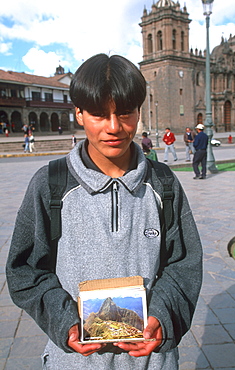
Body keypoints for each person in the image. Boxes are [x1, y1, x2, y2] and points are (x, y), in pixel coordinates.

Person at [6, 54, 202, 370]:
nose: (114, 127)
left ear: (139, 112)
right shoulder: (50, 184)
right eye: (99, 114)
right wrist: (64, 322)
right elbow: (24, 269)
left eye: (125, 113)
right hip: (72, 363)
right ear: (79, 114)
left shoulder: (163, 184)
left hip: (153, 362)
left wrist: (162, 318)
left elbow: (184, 264)